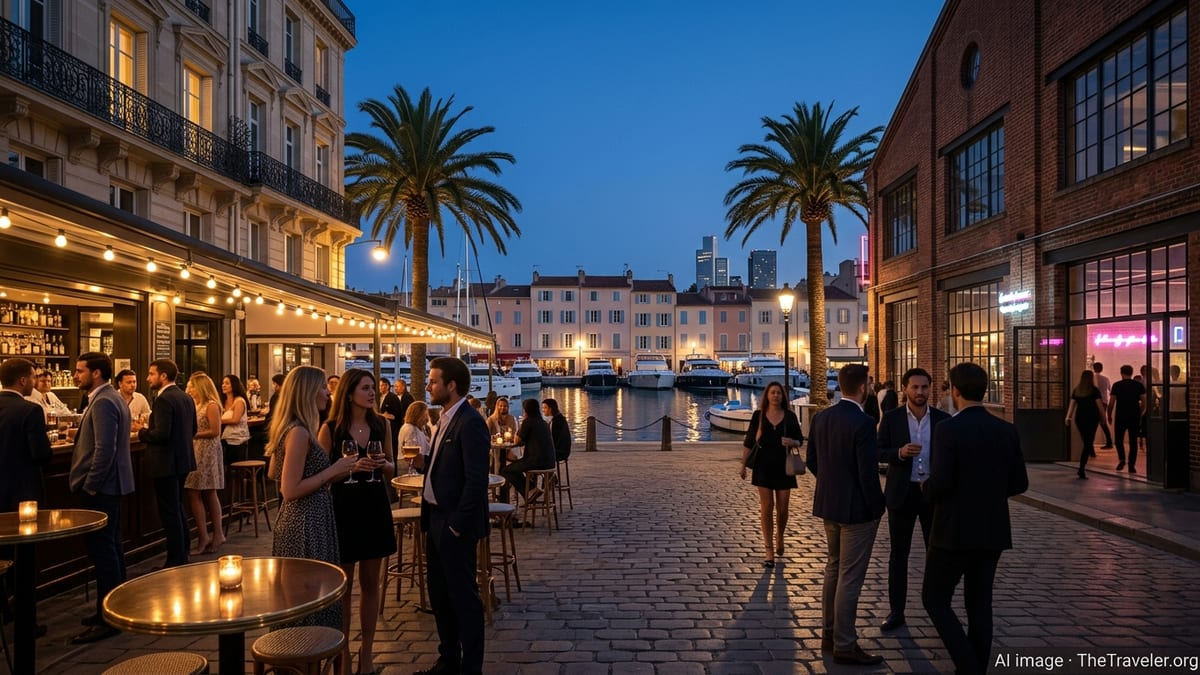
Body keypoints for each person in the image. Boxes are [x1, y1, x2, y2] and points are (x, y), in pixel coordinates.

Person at [922, 362, 1029, 675]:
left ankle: (968, 665)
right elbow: (1020, 483)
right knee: (979, 604)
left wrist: (926, 488)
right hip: (992, 529)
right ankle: (976, 666)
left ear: (955, 391)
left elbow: (941, 483)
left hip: (952, 531)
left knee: (935, 599)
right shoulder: (1005, 429)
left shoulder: (948, 429)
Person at [804, 363, 884, 665]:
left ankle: (829, 632)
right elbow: (868, 474)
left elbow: (812, 460)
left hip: (829, 505)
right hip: (857, 511)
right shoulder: (863, 423)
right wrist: (878, 506)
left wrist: (829, 484)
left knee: (834, 568)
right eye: (870, 384)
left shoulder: (822, 417)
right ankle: (845, 643)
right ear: (863, 387)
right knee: (850, 576)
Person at [267, 366, 358, 630]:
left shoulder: (293, 427)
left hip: (308, 517)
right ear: (307, 392)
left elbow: (274, 470)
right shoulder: (299, 432)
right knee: (307, 600)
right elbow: (289, 489)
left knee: (303, 596)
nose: (327, 393)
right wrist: (333, 470)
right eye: (322, 387)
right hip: (305, 521)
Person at [318, 368, 395, 675]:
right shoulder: (332, 429)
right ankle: (344, 653)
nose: (372, 392)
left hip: (375, 504)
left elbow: (391, 466)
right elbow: (323, 476)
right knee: (345, 585)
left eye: (373, 387)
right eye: (366, 388)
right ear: (350, 393)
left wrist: (380, 463)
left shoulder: (381, 425)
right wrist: (348, 468)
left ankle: (367, 651)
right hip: (344, 507)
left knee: (371, 583)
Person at [419, 357, 490, 675]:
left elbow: (477, 480)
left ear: (451, 385)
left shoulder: (470, 421)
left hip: (452, 523)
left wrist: (457, 525)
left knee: (463, 598)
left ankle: (470, 666)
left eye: (433, 381)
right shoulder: (444, 418)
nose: (428, 386)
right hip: (434, 519)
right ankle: (448, 658)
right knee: (439, 594)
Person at [877, 367, 950, 630]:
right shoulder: (893, 418)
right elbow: (879, 451)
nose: (920, 392)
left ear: (930, 389)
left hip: (932, 494)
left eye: (924, 387)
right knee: (899, 555)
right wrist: (899, 452)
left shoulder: (943, 419)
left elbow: (950, 457)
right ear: (905, 389)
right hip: (902, 493)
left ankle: (939, 608)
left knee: (938, 553)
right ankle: (897, 611)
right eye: (915, 387)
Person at [69, 352, 134, 644]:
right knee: (111, 546)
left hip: (104, 486)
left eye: (80, 371)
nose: (75, 375)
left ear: (96, 373)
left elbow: (104, 449)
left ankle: (108, 615)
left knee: (104, 550)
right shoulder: (110, 397)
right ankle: (113, 607)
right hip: (112, 484)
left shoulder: (105, 400)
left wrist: (91, 485)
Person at [137, 359, 197, 567]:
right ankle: (183, 552)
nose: (147, 378)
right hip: (182, 460)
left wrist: (142, 432)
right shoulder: (186, 397)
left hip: (165, 463)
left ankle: (175, 559)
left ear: (163, 376)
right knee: (178, 508)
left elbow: (161, 434)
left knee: (170, 511)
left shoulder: (163, 400)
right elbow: (194, 429)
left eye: (151, 374)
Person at [739, 381, 803, 568]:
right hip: (763, 466)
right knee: (767, 507)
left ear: (783, 397)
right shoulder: (758, 416)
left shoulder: (790, 417)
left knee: (782, 509)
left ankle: (780, 535)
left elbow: (800, 440)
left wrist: (792, 441)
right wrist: (743, 465)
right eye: (773, 392)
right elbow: (749, 441)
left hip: (784, 467)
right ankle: (768, 550)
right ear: (767, 395)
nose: (776, 396)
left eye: (779, 393)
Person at [0, 358, 53, 511]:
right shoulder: (31, 410)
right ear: (23, 380)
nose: (35, 381)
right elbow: (41, 454)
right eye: (33, 377)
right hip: (21, 490)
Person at [185, 372, 226, 553]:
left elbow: (215, 430)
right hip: (195, 450)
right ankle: (205, 535)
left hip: (207, 451)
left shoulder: (211, 405)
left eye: (191, 386)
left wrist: (193, 434)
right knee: (195, 492)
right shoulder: (195, 404)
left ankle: (215, 534)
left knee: (208, 491)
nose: (188, 389)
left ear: (200, 387)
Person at [500, 398, 556, 505]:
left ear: (526, 410)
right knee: (515, 466)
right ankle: (530, 493)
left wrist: (520, 427)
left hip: (536, 461)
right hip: (549, 461)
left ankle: (531, 491)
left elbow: (517, 440)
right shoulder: (542, 422)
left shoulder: (528, 421)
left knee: (506, 470)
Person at [1065, 369, 1105, 479]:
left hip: (1080, 418)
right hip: (1092, 418)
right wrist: (1104, 418)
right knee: (1088, 441)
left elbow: (1072, 405)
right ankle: (1081, 468)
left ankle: (1082, 467)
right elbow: (1099, 406)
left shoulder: (1077, 390)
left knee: (1087, 441)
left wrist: (1068, 417)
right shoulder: (1094, 390)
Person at [1108, 365, 1146, 473]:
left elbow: (1111, 403)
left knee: (1118, 440)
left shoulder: (1117, 385)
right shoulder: (1138, 385)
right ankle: (1131, 465)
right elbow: (1144, 401)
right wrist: (1141, 413)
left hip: (1121, 416)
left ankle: (1122, 459)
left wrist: (1109, 414)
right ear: (1131, 372)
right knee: (1133, 441)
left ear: (1121, 373)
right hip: (1134, 416)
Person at [219, 374, 251, 464]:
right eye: (223, 383)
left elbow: (235, 420)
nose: (223, 385)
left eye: (227, 383)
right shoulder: (223, 401)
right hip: (225, 438)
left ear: (234, 385)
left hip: (238, 439)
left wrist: (219, 421)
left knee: (235, 467)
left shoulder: (239, 401)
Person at [399, 401, 432, 473]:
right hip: (408, 468)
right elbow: (412, 455)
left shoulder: (419, 429)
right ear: (418, 414)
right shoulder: (410, 429)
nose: (427, 418)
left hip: (415, 467)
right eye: (425, 415)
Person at [379, 376, 405, 452]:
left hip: (393, 429)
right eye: (379, 385)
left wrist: (383, 415)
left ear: (387, 386)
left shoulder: (393, 398)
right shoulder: (381, 397)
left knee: (392, 450)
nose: (380, 387)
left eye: (381, 385)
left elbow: (396, 415)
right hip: (384, 427)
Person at [1092, 362, 1114, 448]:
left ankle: (1091, 444)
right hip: (1104, 402)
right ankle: (1109, 442)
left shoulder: (1092, 378)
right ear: (1102, 369)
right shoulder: (1106, 379)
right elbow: (1110, 389)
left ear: (1094, 368)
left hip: (1094, 402)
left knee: (1093, 423)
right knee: (1103, 422)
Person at [543, 398, 572, 462]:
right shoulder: (559, 418)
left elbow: (552, 438)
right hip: (563, 451)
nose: (543, 410)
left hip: (559, 452)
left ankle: (545, 471)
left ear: (550, 409)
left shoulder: (557, 421)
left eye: (545, 408)